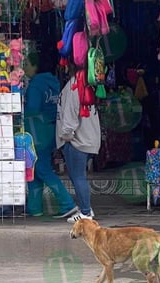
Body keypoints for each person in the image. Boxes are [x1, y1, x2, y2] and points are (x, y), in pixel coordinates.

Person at [23, 51, 78, 218]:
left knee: (41, 168)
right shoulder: (53, 82)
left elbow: (32, 110)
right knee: (35, 168)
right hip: (51, 131)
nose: (24, 68)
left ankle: (67, 203)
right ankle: (34, 207)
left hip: (37, 132)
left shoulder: (36, 85)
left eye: (27, 64)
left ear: (35, 66)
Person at [56, 67, 101, 223]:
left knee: (78, 176)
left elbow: (70, 114)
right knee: (78, 175)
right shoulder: (86, 84)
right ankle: (85, 208)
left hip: (77, 140)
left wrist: (66, 136)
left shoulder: (75, 85)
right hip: (88, 137)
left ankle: (86, 213)